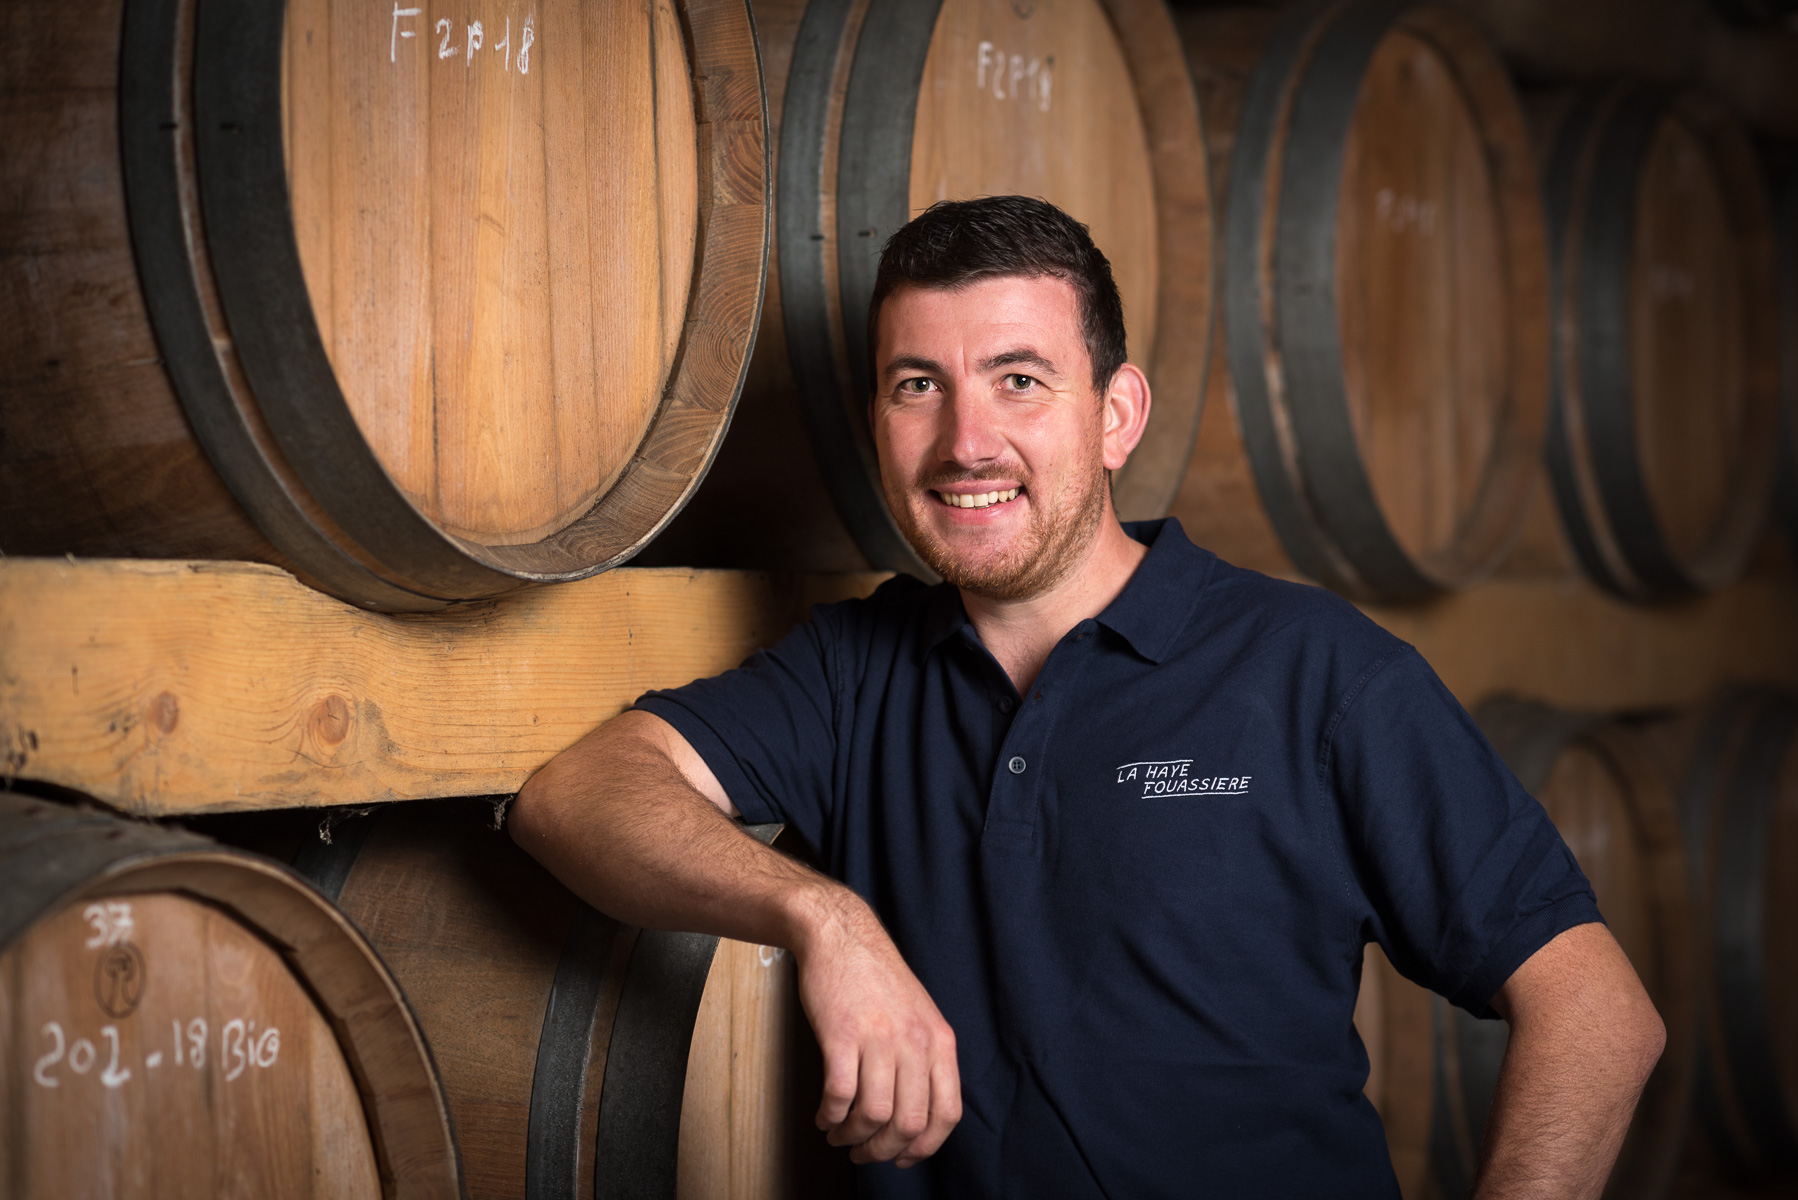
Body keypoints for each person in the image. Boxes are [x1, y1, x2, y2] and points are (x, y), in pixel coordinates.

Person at [510, 196, 1665, 1197]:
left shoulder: (1312, 669)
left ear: (1116, 415)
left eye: (1021, 380)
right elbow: (577, 796)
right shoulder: (855, 672)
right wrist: (824, 918)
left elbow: (1598, 1014)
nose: (967, 441)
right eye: (920, 385)